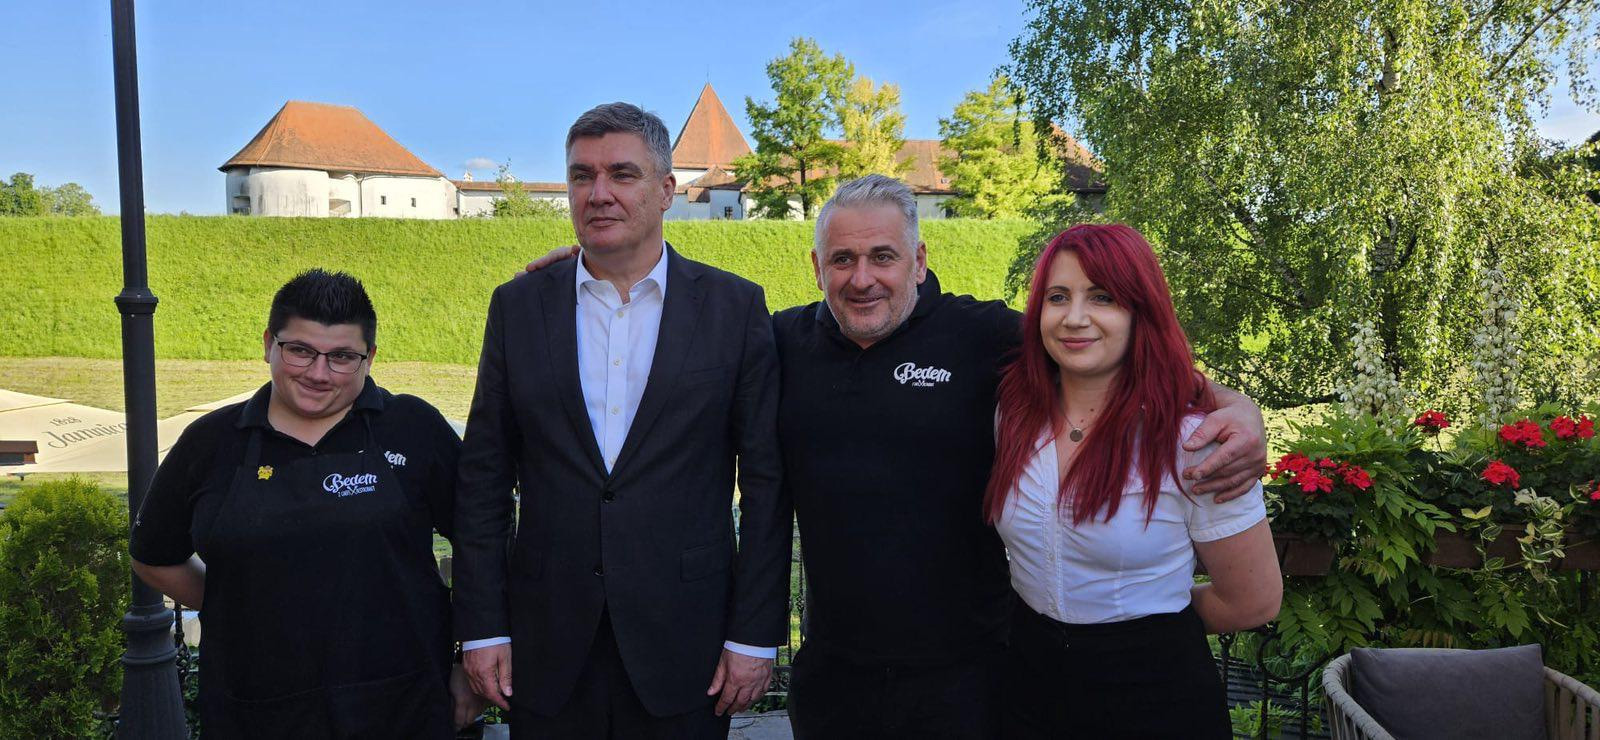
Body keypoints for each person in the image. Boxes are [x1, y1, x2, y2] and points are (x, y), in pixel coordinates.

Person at [524, 175, 1270, 738]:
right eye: (842, 259)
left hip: (970, 677)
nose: (863, 277)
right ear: (816, 267)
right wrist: (602, 273)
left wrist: (1236, 407)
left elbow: (1110, 345)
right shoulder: (778, 343)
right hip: (834, 675)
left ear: (919, 260)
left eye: (883, 256)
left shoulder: (984, 338)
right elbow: (667, 331)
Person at [453, 102, 791, 738]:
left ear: (665, 190)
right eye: (581, 175)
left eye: (622, 174)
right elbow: (484, 477)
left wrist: (753, 633)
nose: (598, 193)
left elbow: (766, 484)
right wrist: (483, 627)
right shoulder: (519, 307)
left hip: (687, 643)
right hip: (547, 642)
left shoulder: (734, 308)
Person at [129, 269, 480, 738]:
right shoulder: (210, 442)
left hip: (402, 703)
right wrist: (240, 601)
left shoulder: (413, 428)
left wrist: (473, 658)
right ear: (268, 344)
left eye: (342, 357)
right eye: (300, 350)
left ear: (370, 358)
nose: (318, 373)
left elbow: (484, 542)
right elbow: (153, 555)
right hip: (253, 710)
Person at [986, 224, 1282, 739]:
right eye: (1058, 297)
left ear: (1140, 311)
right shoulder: (1012, 417)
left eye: (1102, 297)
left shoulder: (1193, 440)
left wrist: (1150, 625)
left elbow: (1253, 599)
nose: (1074, 317)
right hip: (1029, 689)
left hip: (1155, 699)